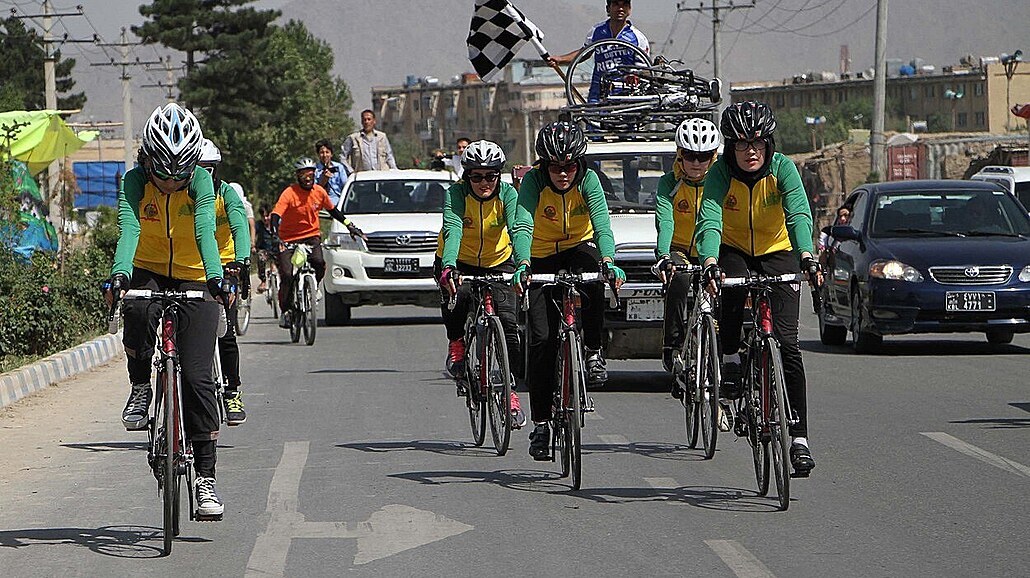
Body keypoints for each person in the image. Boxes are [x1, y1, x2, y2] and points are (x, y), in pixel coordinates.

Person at [103, 103, 231, 518]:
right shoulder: (134, 182)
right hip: (149, 268)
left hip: (196, 274)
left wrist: (216, 279)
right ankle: (141, 387)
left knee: (197, 378)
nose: (172, 182)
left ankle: (206, 477)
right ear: (148, 160)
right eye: (164, 173)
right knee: (137, 313)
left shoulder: (201, 182)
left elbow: (205, 234)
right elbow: (130, 230)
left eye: (182, 174)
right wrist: (120, 276)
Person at [694, 101, 822, 477]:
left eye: (758, 144)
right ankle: (731, 360)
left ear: (768, 144)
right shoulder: (719, 174)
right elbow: (710, 218)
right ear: (730, 148)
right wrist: (709, 261)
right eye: (742, 145)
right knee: (730, 294)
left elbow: (799, 212)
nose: (751, 152)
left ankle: (799, 438)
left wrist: (807, 255)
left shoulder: (783, 168)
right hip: (733, 250)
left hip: (778, 250)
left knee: (788, 344)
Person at [510, 121, 626, 460]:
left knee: (594, 277)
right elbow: (523, 224)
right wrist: (522, 263)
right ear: (544, 165)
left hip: (579, 246)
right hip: (541, 255)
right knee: (543, 341)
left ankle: (592, 350)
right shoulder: (533, 181)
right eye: (556, 166)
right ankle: (542, 425)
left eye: (570, 165)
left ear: (579, 163)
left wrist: (609, 260)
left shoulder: (588, 180)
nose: (563, 173)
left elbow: (602, 223)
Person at [437, 140, 526, 428]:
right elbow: (453, 229)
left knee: (510, 325)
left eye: (491, 175)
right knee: (458, 296)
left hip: (498, 260)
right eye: (477, 176)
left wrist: (523, 263)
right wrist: (450, 267)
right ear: (467, 176)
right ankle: (457, 344)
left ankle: (510, 392)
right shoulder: (456, 194)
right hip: (457, 258)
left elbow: (517, 227)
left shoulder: (508, 194)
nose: (484, 182)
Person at [653, 118, 722, 387]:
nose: (697, 162)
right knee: (678, 280)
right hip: (680, 248)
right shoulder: (668, 183)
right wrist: (664, 255)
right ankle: (672, 343)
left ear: (713, 156)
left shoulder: (721, 181)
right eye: (690, 156)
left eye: (704, 156)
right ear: (680, 155)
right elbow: (665, 221)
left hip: (714, 249)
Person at [271, 158, 365, 328]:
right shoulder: (289, 193)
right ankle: (286, 310)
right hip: (288, 239)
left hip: (311, 236)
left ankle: (313, 287)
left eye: (311, 173)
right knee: (286, 274)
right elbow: (276, 214)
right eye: (303, 174)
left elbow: (334, 211)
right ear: (298, 176)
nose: (308, 177)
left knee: (319, 262)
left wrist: (350, 226)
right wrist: (275, 235)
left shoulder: (319, 192)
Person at [198, 139, 251, 426]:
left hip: (225, 265)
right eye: (198, 170)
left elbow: (240, 227)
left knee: (226, 332)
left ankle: (232, 390)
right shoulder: (185, 196)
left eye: (209, 170)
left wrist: (241, 261)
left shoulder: (226, 194)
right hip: (193, 268)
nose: (203, 177)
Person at [547, 0, 650, 103]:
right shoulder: (597, 31)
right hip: (598, 93)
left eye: (625, 5)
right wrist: (560, 59)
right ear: (608, 8)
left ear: (629, 9)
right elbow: (584, 53)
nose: (620, 9)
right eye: (616, 4)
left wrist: (635, 76)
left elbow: (645, 70)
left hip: (627, 96)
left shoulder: (638, 38)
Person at [315, 138, 349, 206]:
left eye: (327, 152)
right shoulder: (315, 170)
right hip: (322, 204)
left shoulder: (339, 167)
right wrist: (323, 181)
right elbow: (314, 192)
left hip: (339, 202)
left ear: (331, 154)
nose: (325, 155)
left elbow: (345, 185)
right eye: (322, 153)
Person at [254, 206, 277, 294]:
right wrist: (252, 246)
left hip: (276, 249)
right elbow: (253, 234)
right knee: (261, 258)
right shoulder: (259, 225)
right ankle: (263, 281)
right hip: (264, 249)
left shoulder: (276, 223)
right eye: (263, 216)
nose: (265, 218)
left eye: (267, 216)